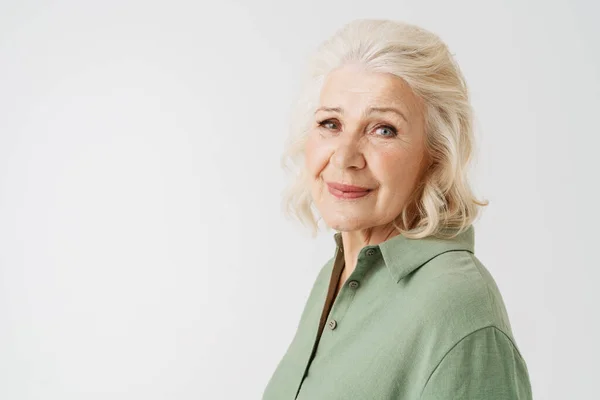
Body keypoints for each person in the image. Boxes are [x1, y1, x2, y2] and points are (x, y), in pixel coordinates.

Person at [262, 18, 533, 400]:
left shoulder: (456, 305)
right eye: (331, 123)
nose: (344, 157)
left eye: (383, 129)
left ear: (436, 155)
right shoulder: (336, 273)